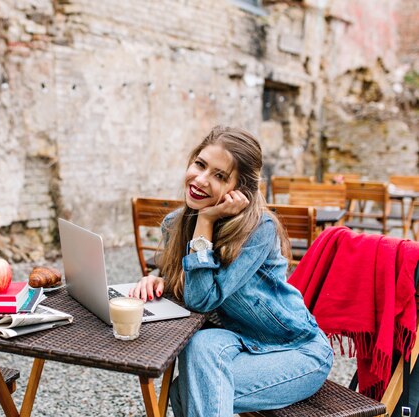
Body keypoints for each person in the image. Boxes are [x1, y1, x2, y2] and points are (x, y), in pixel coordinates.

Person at [129, 126, 333, 417]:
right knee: (200, 346)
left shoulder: (259, 230)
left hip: (296, 350)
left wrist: (206, 221)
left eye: (219, 176)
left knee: (183, 392)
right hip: (239, 340)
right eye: (200, 165)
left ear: (239, 190)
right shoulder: (174, 224)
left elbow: (202, 300)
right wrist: (160, 279)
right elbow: (193, 295)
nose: (200, 180)